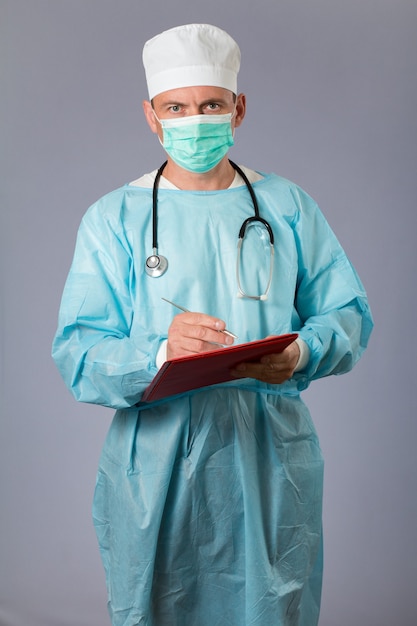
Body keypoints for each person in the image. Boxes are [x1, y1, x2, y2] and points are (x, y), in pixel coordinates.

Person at [52, 23, 373, 626]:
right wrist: (156, 353)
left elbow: (347, 312)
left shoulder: (287, 207)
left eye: (210, 106)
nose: (193, 121)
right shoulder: (113, 219)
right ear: (151, 115)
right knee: (155, 605)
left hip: (268, 458)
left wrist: (301, 353)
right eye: (176, 108)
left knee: (271, 608)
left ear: (238, 108)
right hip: (156, 462)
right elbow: (79, 350)